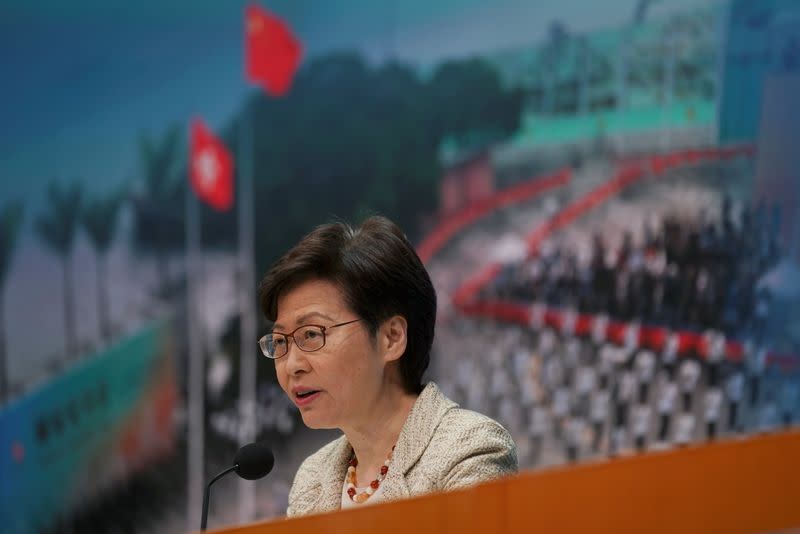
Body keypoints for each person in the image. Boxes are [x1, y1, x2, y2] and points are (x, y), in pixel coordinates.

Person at [258, 216, 518, 517]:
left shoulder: (469, 450)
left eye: (312, 335)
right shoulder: (312, 479)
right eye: (280, 342)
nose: (291, 365)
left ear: (391, 338)